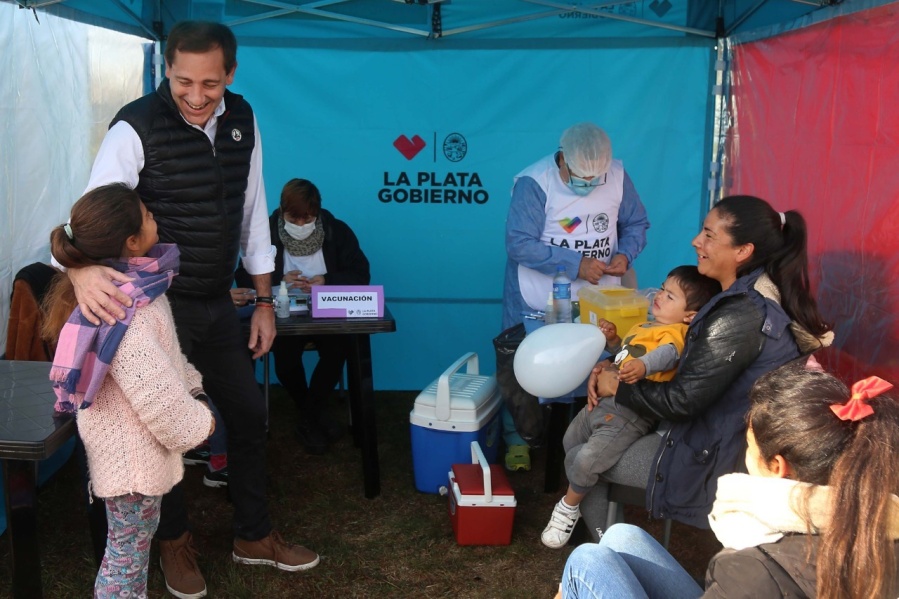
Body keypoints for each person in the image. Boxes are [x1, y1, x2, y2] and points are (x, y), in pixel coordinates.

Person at [60, 21, 318, 599]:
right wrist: (78, 269)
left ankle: (253, 535)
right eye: (182, 82)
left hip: (218, 301)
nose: (197, 95)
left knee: (249, 413)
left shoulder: (244, 119)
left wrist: (263, 300)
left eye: (210, 82)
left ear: (230, 73)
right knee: (164, 427)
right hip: (156, 307)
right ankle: (172, 542)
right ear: (165, 72)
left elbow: (254, 215)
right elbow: (96, 212)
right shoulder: (134, 126)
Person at [574, 195, 834, 540]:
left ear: (743, 252)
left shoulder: (741, 314)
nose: (697, 241)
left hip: (720, 458)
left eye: (710, 235)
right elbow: (683, 363)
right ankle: (606, 541)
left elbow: (683, 402)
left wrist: (618, 387)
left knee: (582, 454)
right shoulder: (742, 296)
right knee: (586, 441)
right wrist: (615, 363)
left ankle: (605, 547)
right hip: (713, 439)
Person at [557, 358, 899, 599]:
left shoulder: (756, 568)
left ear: (778, 467)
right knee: (621, 537)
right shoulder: (876, 523)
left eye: (747, 446)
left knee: (586, 563)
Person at [42, 184, 216, 597]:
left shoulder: (140, 290)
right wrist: (202, 423)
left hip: (133, 457)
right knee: (124, 565)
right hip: (131, 463)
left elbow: (168, 360)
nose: (156, 219)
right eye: (149, 216)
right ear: (132, 241)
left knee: (126, 556)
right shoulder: (126, 310)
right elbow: (155, 397)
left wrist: (193, 386)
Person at [501, 122, 650, 470]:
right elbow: (519, 242)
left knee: (594, 363)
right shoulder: (535, 182)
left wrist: (625, 254)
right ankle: (518, 438)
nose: (590, 184)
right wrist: (574, 264)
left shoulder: (617, 175)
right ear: (563, 159)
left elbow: (636, 223)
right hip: (537, 295)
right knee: (522, 365)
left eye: (596, 178)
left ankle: (582, 437)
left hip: (600, 298)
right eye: (581, 177)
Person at [541, 266, 720, 548]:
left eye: (670, 296)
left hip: (627, 415)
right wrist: (613, 341)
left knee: (587, 458)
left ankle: (567, 507)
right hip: (602, 404)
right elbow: (624, 355)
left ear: (690, 316)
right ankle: (597, 522)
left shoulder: (677, 333)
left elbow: (667, 356)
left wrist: (644, 365)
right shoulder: (644, 327)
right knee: (570, 441)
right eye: (662, 288)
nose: (660, 295)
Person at [234, 178, 370, 454]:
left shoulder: (337, 232)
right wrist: (277, 279)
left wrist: (326, 280)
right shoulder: (267, 234)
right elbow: (242, 277)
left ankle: (308, 414)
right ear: (282, 211)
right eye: (292, 218)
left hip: (328, 314)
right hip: (283, 316)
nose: (299, 225)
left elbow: (361, 274)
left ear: (317, 213)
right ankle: (313, 412)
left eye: (306, 218)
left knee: (339, 349)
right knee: (284, 358)